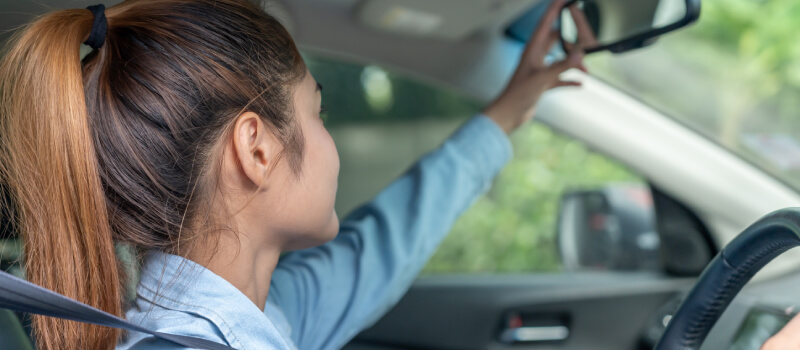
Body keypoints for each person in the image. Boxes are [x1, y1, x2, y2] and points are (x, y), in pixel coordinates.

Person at [0, 0, 794, 349]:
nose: (333, 143)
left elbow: (376, 256)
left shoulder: (241, 316)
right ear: (257, 148)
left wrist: (512, 107)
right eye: (317, 113)